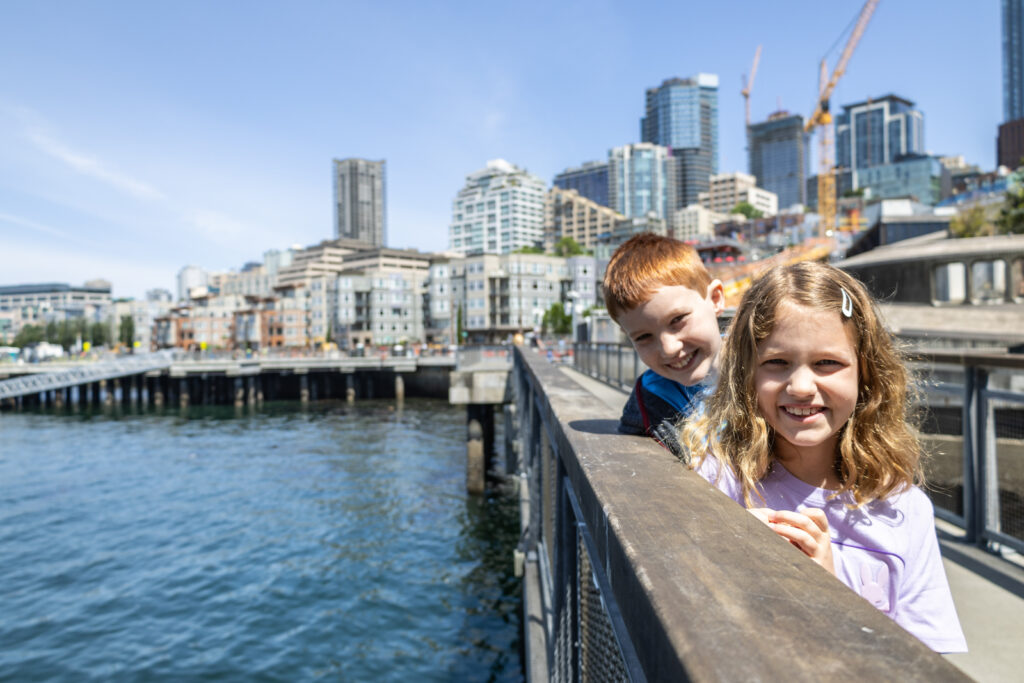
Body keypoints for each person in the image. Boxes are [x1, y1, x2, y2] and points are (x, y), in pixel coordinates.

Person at [683, 261, 966, 653]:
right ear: (747, 374)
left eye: (827, 363)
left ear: (865, 373)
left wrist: (826, 594)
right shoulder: (716, 482)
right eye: (777, 363)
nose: (800, 386)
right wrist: (729, 551)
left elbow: (925, 662)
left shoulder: (905, 509)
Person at [603, 233, 725, 460]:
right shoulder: (647, 399)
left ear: (715, 299)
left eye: (677, 320)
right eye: (643, 337)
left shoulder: (766, 368)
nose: (668, 348)